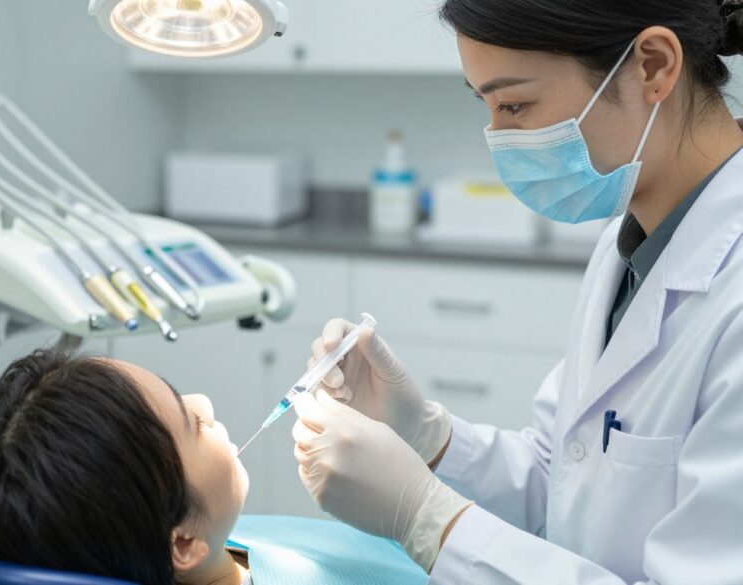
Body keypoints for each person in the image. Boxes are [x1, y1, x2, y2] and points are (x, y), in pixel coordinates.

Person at [292, 1, 743, 583]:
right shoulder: (629, 244)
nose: (498, 139)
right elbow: (566, 478)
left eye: (514, 105)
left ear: (653, 66)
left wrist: (427, 520)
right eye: (486, 106)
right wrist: (427, 437)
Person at [0, 350, 426, 585]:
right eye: (192, 424)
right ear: (181, 544)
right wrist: (426, 514)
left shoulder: (218, 540)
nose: (204, 401)